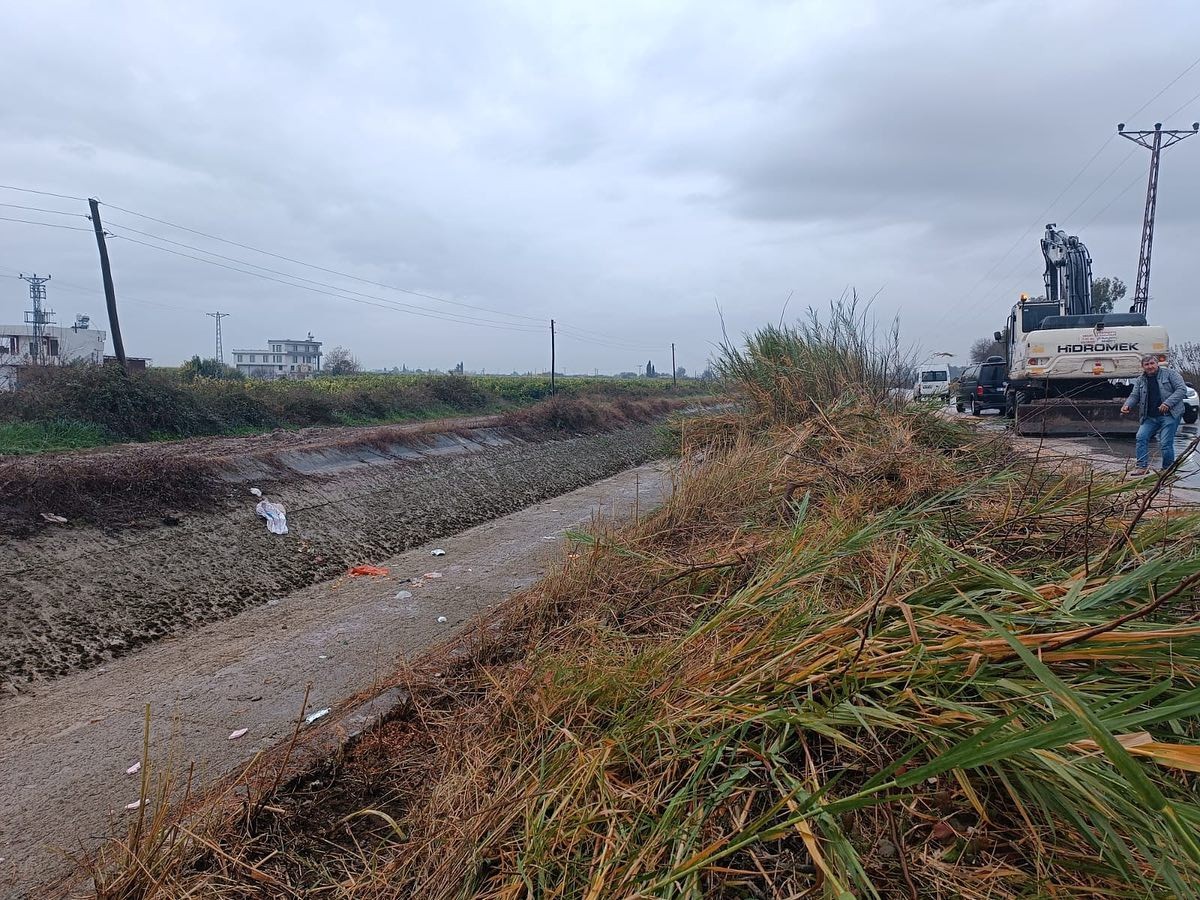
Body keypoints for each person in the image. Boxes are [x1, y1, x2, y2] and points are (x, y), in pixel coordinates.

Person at [1120, 354, 1186, 476]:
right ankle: (1141, 467)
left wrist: (1168, 403)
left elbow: (1182, 390)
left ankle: (1167, 470)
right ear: (1143, 367)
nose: (1150, 367)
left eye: (1152, 363)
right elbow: (1134, 395)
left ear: (1157, 364)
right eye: (1147, 364)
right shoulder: (1140, 380)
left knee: (1166, 443)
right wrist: (1127, 405)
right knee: (1141, 437)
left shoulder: (1171, 374)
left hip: (1170, 414)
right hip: (1149, 416)